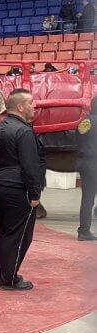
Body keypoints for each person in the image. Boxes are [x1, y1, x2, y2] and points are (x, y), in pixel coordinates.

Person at [0, 88, 46, 291]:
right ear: (20, 106)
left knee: (3, 231)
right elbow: (30, 166)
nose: (34, 106)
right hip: (17, 188)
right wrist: (35, 194)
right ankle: (9, 278)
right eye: (31, 102)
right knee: (19, 235)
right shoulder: (23, 132)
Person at [76, 97, 97, 241]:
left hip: (85, 163)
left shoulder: (84, 121)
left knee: (87, 199)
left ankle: (83, 231)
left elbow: (78, 139)